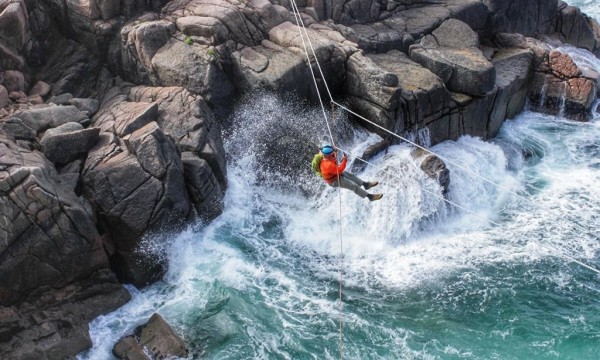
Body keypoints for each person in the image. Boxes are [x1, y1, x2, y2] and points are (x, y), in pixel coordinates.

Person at [315, 145, 383, 201]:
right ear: (328, 155)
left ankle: (366, 184)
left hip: (334, 174)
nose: (333, 153)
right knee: (353, 185)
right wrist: (344, 160)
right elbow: (340, 169)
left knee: (351, 176)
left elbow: (332, 159)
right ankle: (370, 197)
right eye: (332, 153)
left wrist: (335, 151)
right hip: (334, 180)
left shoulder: (324, 155)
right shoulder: (327, 165)